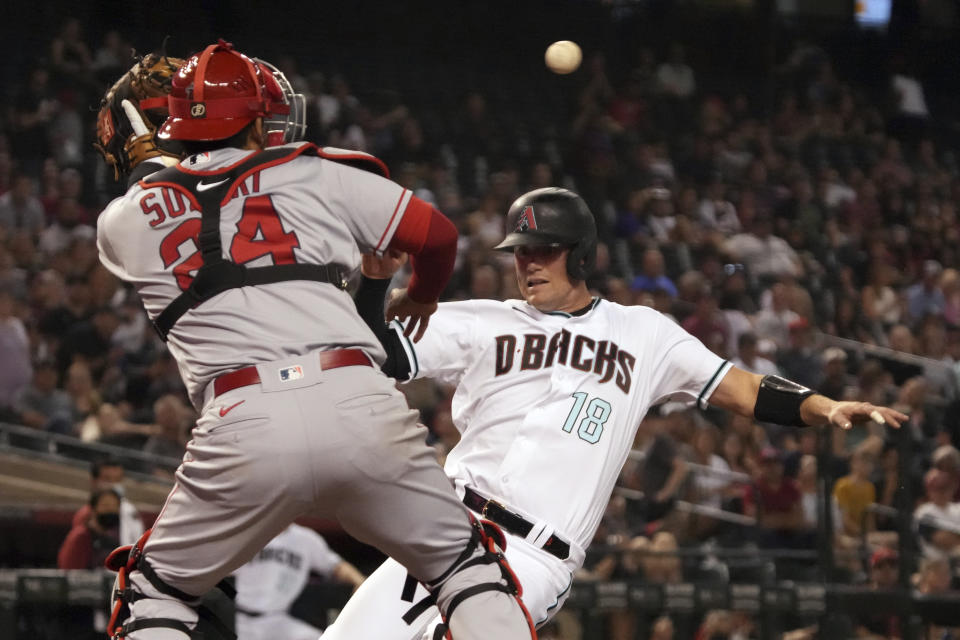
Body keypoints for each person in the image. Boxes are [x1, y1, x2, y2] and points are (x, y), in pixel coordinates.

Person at [324, 187, 907, 638]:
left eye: (543, 251)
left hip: (531, 556)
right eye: (520, 253)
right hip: (446, 528)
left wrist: (825, 406)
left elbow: (743, 388)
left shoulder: (643, 333)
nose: (527, 264)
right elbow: (368, 351)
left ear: (580, 255)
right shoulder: (484, 320)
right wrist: (376, 283)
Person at [95, 41, 534, 640]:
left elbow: (164, 195)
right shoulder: (314, 171)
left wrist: (155, 157)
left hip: (240, 420)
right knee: (464, 570)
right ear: (253, 119)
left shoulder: (122, 221)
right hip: (356, 398)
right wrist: (424, 296)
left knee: (155, 594)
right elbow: (437, 236)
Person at [232, 524, 364, 640]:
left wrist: (363, 585)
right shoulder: (247, 535)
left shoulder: (305, 539)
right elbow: (216, 567)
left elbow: (337, 566)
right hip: (247, 621)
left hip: (279, 618)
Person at [71, 457, 144, 546]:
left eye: (118, 480)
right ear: (94, 481)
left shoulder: (130, 510)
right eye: (107, 479)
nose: (114, 484)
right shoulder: (84, 514)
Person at [58, 487, 122, 569]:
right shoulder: (80, 536)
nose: (111, 510)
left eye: (115, 506)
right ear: (93, 509)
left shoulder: (112, 538)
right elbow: (70, 571)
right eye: (105, 505)